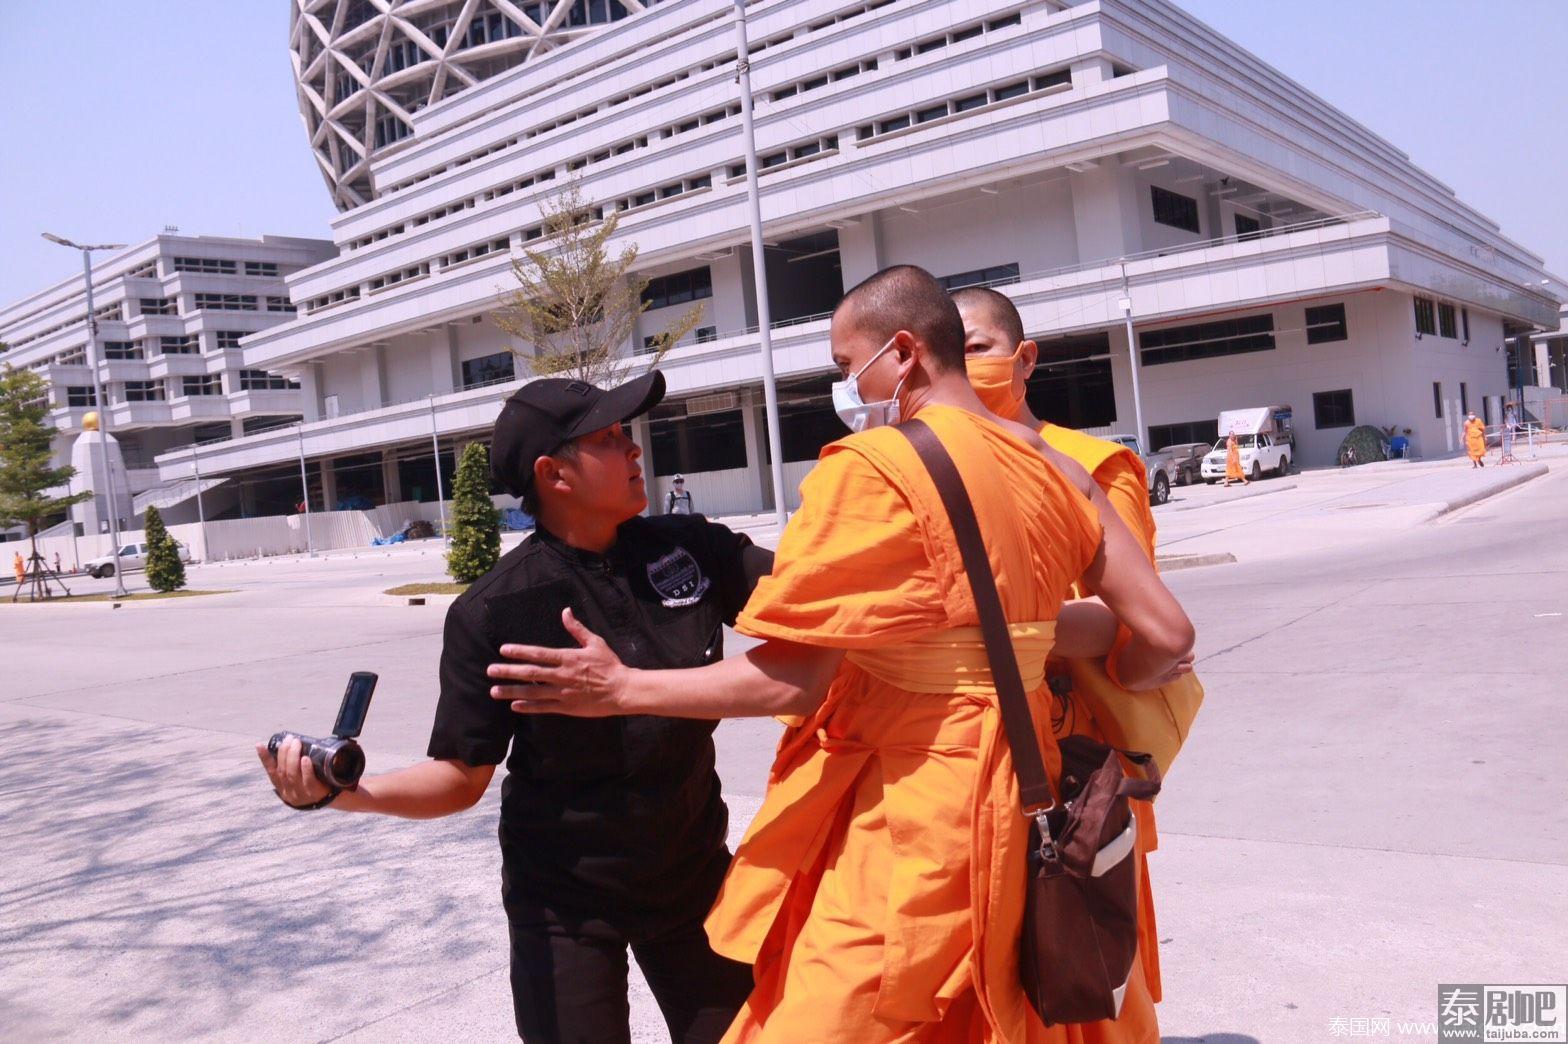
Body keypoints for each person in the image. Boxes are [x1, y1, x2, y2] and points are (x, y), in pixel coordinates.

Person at [488, 266, 1195, 1043]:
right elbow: (1166, 639)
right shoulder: (1056, 466)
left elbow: (795, 680)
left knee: (845, 1012)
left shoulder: (868, 470)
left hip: (919, 797)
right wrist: (1020, 646)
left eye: (842, 366)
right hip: (1036, 776)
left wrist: (621, 688)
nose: (846, 387)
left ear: (901, 352)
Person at [257, 372, 769, 1044]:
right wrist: (348, 794)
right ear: (554, 474)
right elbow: (461, 774)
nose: (634, 449)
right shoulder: (498, 609)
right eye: (611, 438)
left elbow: (820, 599)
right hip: (564, 906)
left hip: (696, 880)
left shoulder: (690, 550)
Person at [954, 284, 1196, 1020]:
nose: (964, 372)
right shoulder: (941, 469)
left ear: (1024, 358)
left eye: (978, 349)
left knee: (1077, 954)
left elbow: (1126, 619)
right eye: (949, 354)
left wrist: (981, 629)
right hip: (971, 756)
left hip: (1076, 760)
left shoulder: (1091, 464)